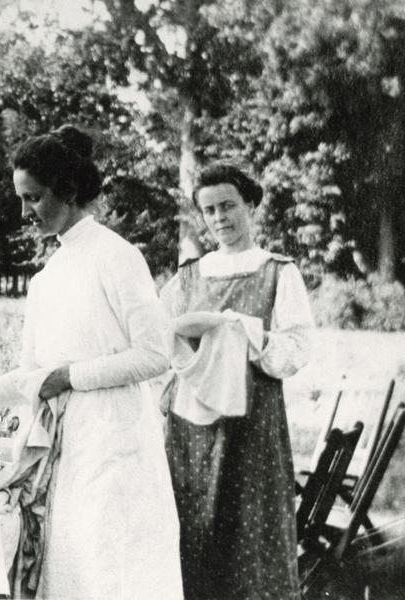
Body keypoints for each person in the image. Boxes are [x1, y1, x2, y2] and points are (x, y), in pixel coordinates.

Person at [0, 125, 184, 599]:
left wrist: (69, 376)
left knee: (112, 572)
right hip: (63, 446)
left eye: (34, 198)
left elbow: (155, 354)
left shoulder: (117, 256)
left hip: (116, 443)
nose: (25, 213)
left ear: (69, 190)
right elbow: (30, 375)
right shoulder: (47, 277)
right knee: (67, 572)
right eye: (21, 199)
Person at [160, 163, 314, 599]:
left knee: (250, 530)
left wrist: (245, 333)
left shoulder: (278, 271)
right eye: (209, 210)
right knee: (192, 525)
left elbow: (298, 349)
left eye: (228, 206)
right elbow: (158, 337)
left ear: (250, 205)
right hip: (191, 426)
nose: (219, 218)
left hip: (253, 423)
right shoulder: (189, 275)